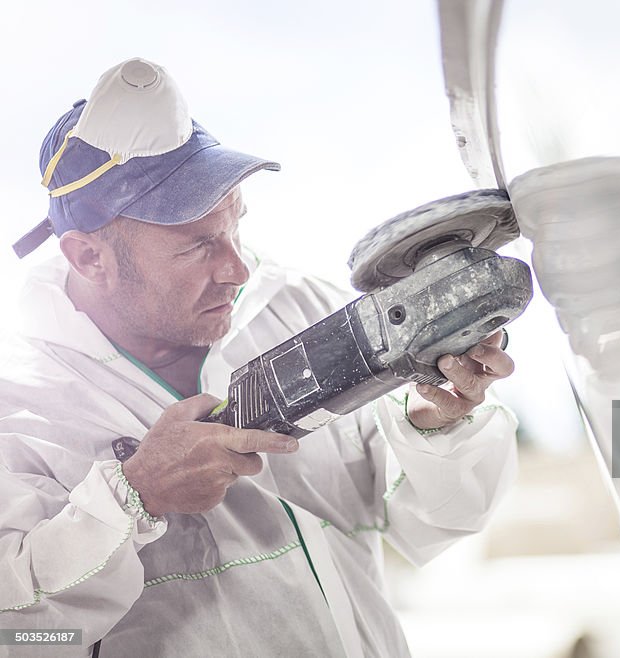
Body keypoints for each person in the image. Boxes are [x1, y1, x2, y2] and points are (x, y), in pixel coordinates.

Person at [0, 58, 518, 657]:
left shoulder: (295, 306)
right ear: (90, 258)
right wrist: (132, 497)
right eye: (196, 246)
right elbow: (20, 637)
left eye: (234, 227)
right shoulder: (19, 406)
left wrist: (440, 424)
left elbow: (445, 518)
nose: (238, 269)